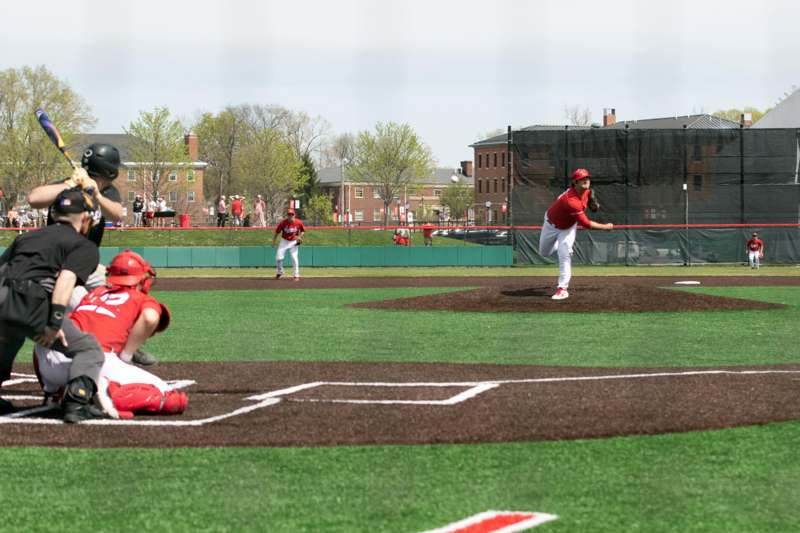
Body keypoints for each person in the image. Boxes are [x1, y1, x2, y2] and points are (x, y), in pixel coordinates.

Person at [27, 142, 156, 367]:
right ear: (111, 170)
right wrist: (70, 184)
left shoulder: (107, 191)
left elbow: (117, 215)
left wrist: (96, 193)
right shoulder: (69, 184)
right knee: (85, 307)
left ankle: (127, 344)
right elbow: (33, 198)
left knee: (119, 297)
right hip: (60, 265)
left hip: (88, 263)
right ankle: (89, 355)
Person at [33, 250, 187, 419]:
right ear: (142, 279)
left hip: (49, 362)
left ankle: (52, 392)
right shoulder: (139, 297)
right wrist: (127, 356)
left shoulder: (94, 293)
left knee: (51, 337)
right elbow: (150, 318)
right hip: (93, 363)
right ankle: (100, 391)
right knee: (173, 398)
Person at [0, 188, 106, 422]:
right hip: (31, 303)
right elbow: (65, 281)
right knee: (88, 348)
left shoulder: (25, 236)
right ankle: (77, 402)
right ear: (86, 217)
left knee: (8, 337)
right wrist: (54, 321)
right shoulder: (84, 246)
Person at [539, 168, 613, 300]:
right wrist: (605, 227)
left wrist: (592, 199)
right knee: (544, 253)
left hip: (568, 227)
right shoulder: (571, 201)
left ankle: (562, 289)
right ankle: (560, 245)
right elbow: (586, 224)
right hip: (551, 225)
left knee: (565, 254)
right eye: (582, 179)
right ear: (575, 182)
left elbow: (590, 194)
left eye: (587, 178)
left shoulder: (586, 191)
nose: (586, 181)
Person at [272, 208, 305, 281]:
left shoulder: (298, 222)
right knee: (278, 257)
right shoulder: (283, 223)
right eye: (289, 214)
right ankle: (280, 272)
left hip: (293, 241)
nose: (290, 216)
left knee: (294, 258)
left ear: (294, 215)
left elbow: (302, 231)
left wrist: (300, 237)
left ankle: (296, 275)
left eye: (292, 214)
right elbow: (277, 233)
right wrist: (274, 241)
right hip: (284, 241)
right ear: (287, 215)